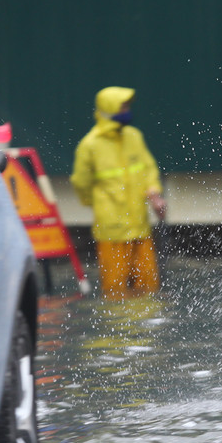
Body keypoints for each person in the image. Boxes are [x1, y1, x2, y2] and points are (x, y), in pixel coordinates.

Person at [71, 87, 167, 301]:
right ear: (109, 108)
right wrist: (99, 204)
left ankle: (145, 329)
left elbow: (149, 169)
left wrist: (154, 194)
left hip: (140, 227)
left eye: (127, 106)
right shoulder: (90, 145)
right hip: (111, 232)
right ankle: (120, 329)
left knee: (149, 286)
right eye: (123, 106)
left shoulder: (134, 136)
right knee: (115, 291)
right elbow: (81, 183)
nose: (127, 110)